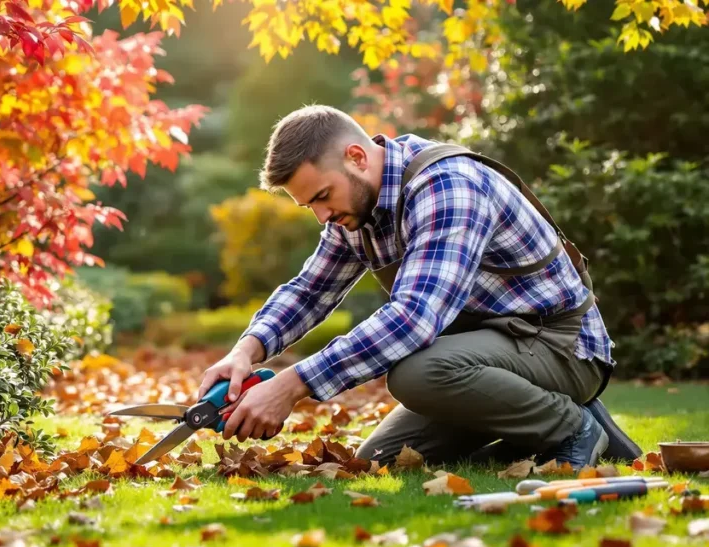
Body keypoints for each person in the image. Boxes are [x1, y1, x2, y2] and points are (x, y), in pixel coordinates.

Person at [198, 104, 641, 469]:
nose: (322, 216)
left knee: (417, 374)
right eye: (309, 205)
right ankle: (559, 417)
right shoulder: (357, 209)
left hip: (559, 345)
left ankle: (572, 428)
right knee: (385, 460)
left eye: (322, 196)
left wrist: (293, 384)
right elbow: (310, 292)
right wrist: (246, 351)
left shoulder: (447, 186)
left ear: (356, 157)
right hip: (488, 355)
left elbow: (413, 318)